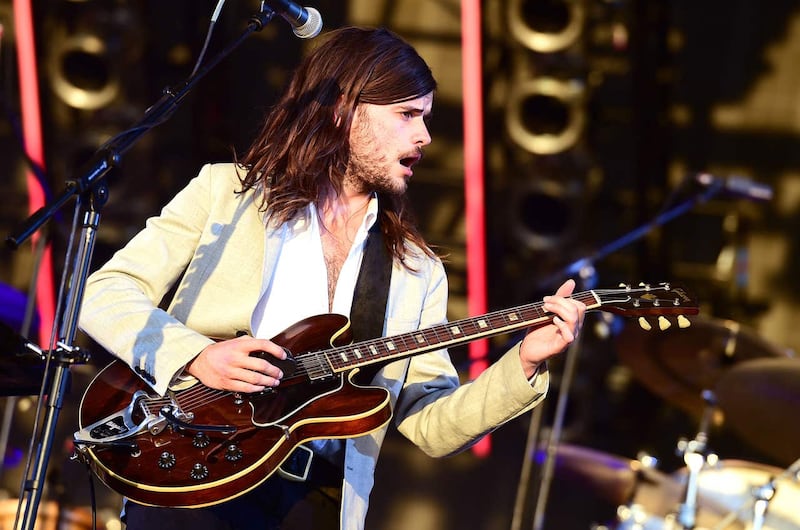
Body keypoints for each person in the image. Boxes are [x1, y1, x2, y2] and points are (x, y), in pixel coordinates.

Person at [78, 26, 586, 530]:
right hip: (194, 468)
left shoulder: (415, 269)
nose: (425, 137)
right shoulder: (225, 194)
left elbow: (431, 425)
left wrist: (522, 361)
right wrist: (195, 356)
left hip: (315, 500)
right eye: (407, 114)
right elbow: (102, 292)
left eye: (426, 118)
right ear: (343, 109)